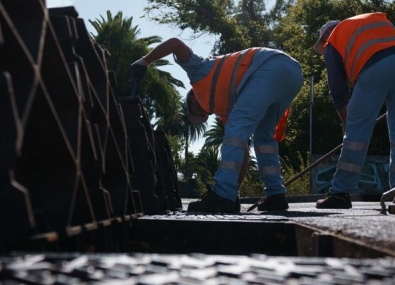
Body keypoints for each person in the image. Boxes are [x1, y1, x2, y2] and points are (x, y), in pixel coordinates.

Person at [130, 38, 303, 213]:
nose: (206, 113)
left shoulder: (198, 69)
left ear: (192, 98)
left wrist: (145, 61)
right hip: (292, 73)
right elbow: (241, 151)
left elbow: (175, 43)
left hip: (269, 66)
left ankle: (222, 195)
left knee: (237, 131)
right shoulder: (228, 108)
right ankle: (276, 195)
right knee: (264, 138)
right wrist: (235, 190)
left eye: (198, 112)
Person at [313, 13, 395, 209]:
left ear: (325, 36)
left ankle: (340, 193)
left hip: (375, 67)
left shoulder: (333, 41)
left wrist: (347, 122)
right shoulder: (373, 22)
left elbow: (337, 90)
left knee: (356, 136)